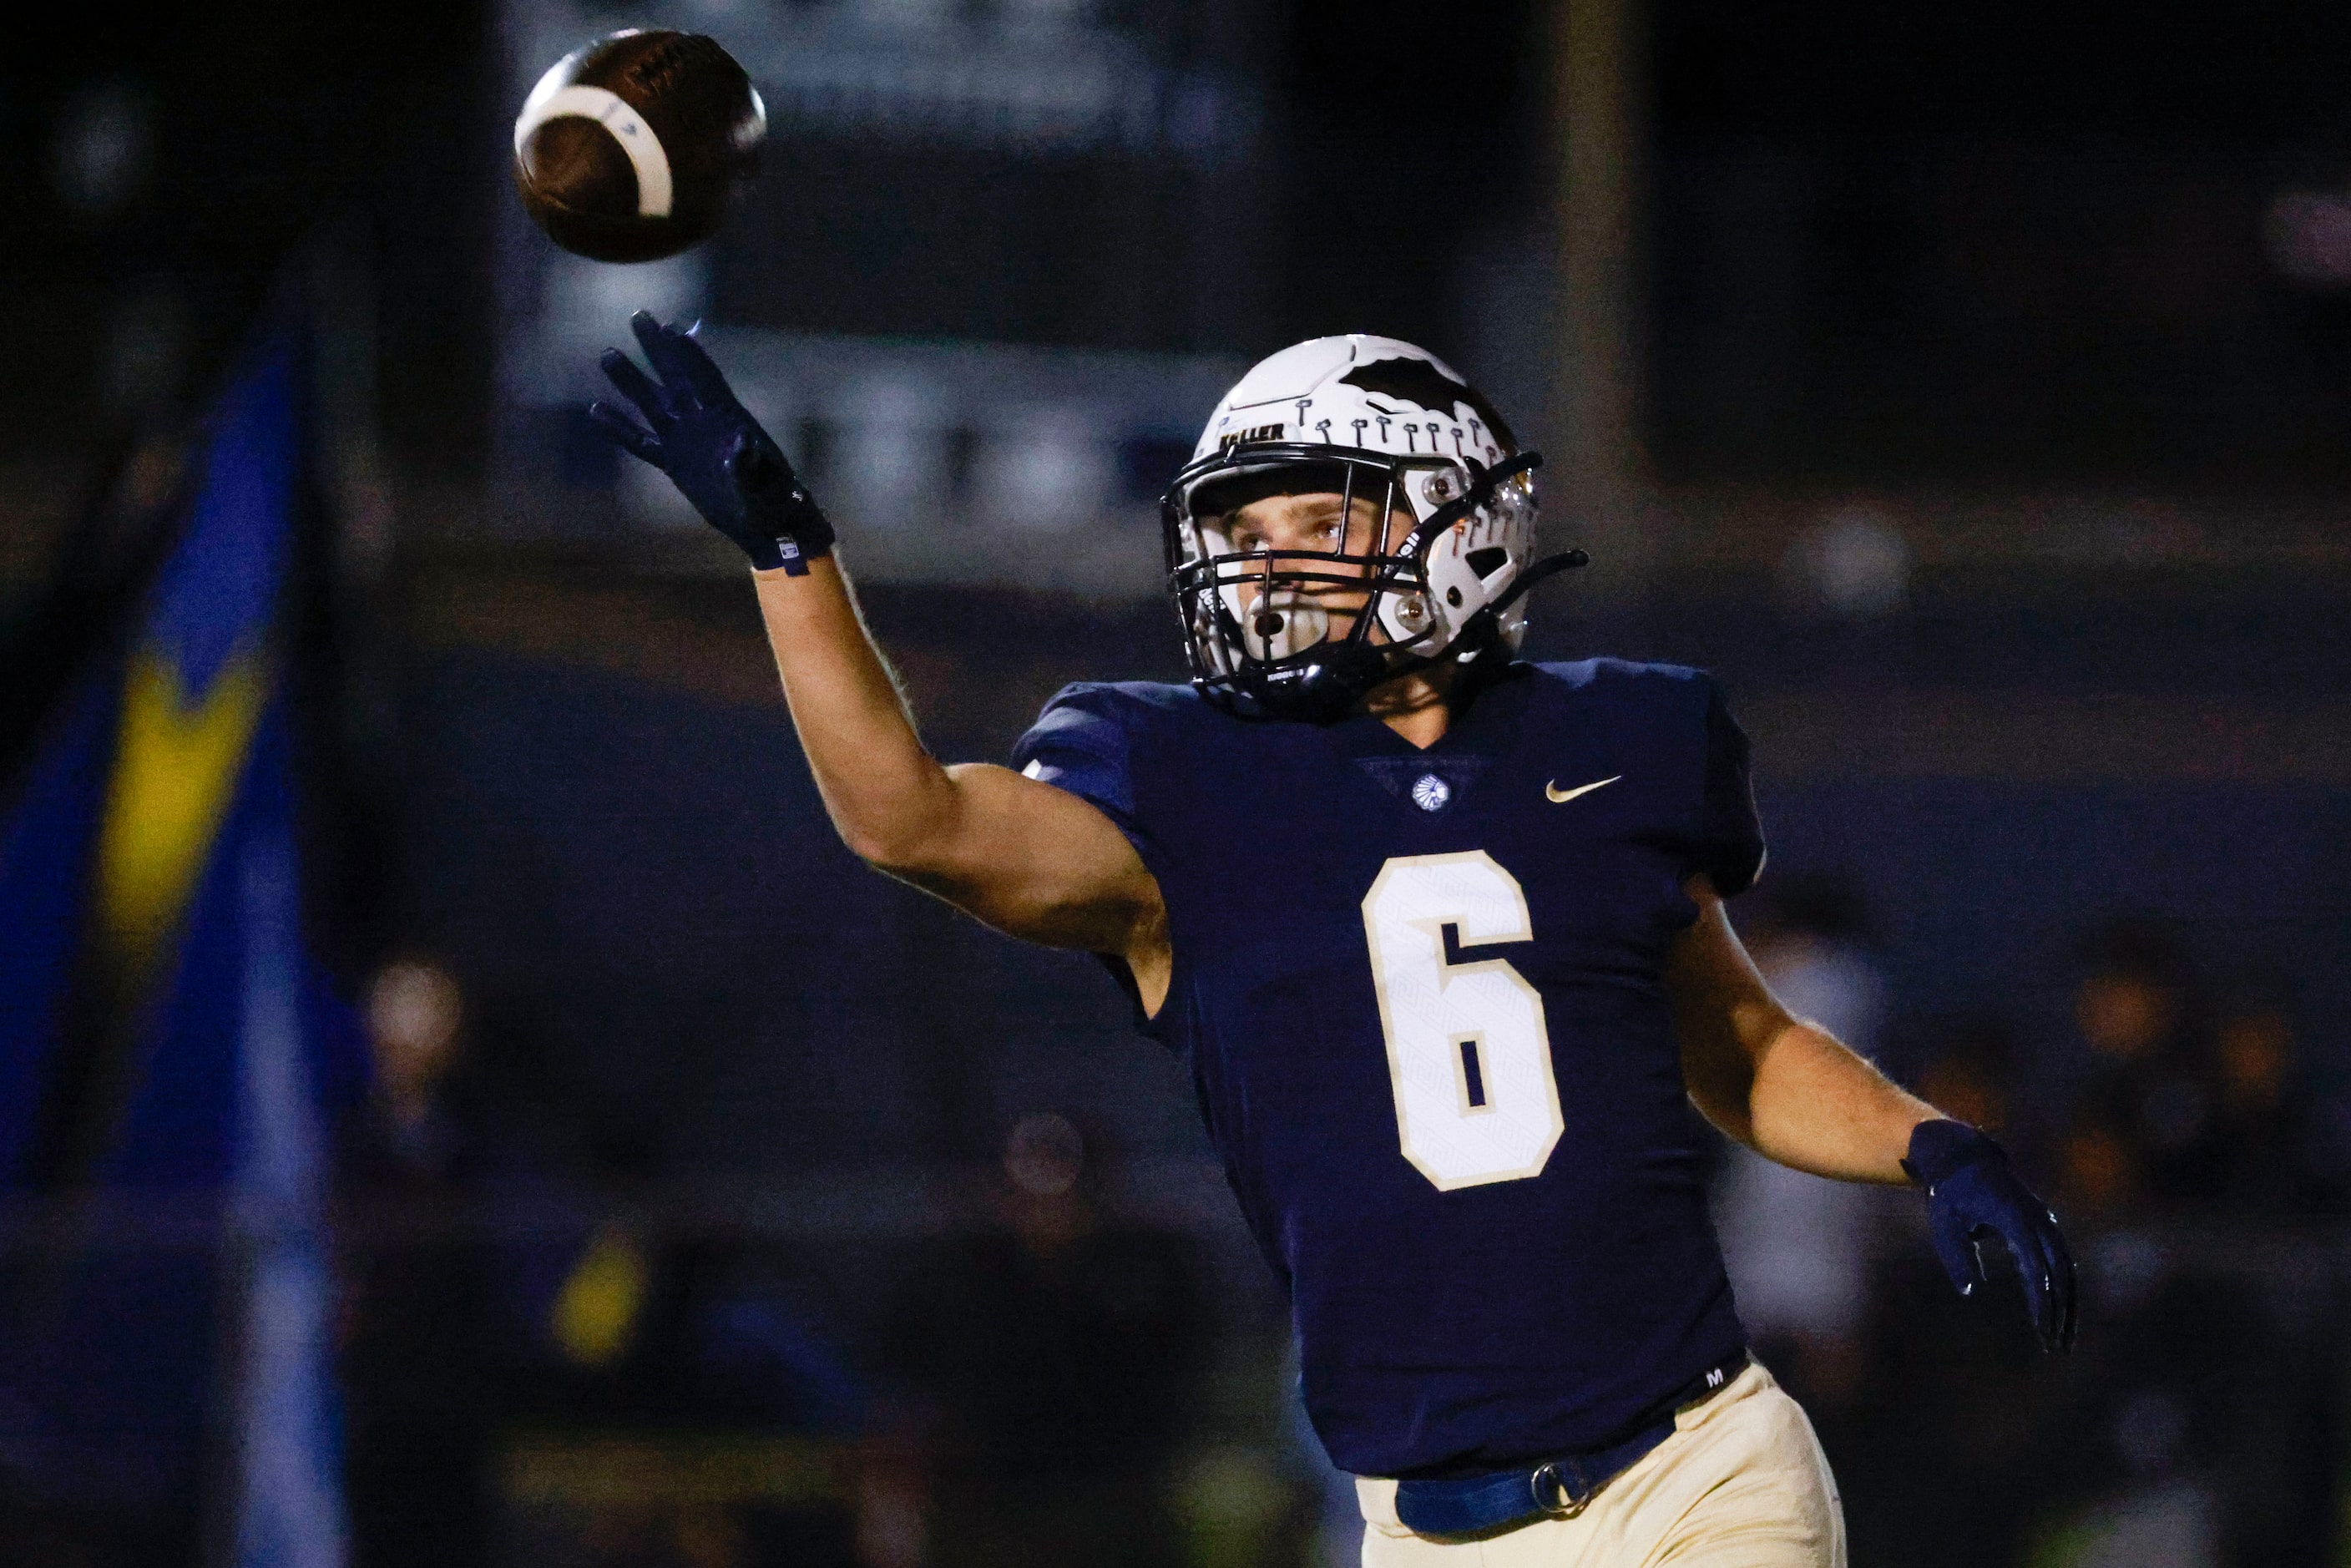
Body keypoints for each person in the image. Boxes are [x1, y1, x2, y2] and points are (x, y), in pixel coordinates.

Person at [587, 319, 2076, 1564]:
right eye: (1246, 531)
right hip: (1423, 1530)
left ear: (1456, 515)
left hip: (1697, 1477)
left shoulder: (1619, 739)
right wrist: (790, 553)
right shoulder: (1179, 781)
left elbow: (1736, 1042)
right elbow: (908, 822)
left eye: (1314, 520)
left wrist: (1929, 1142)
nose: (1267, 564)